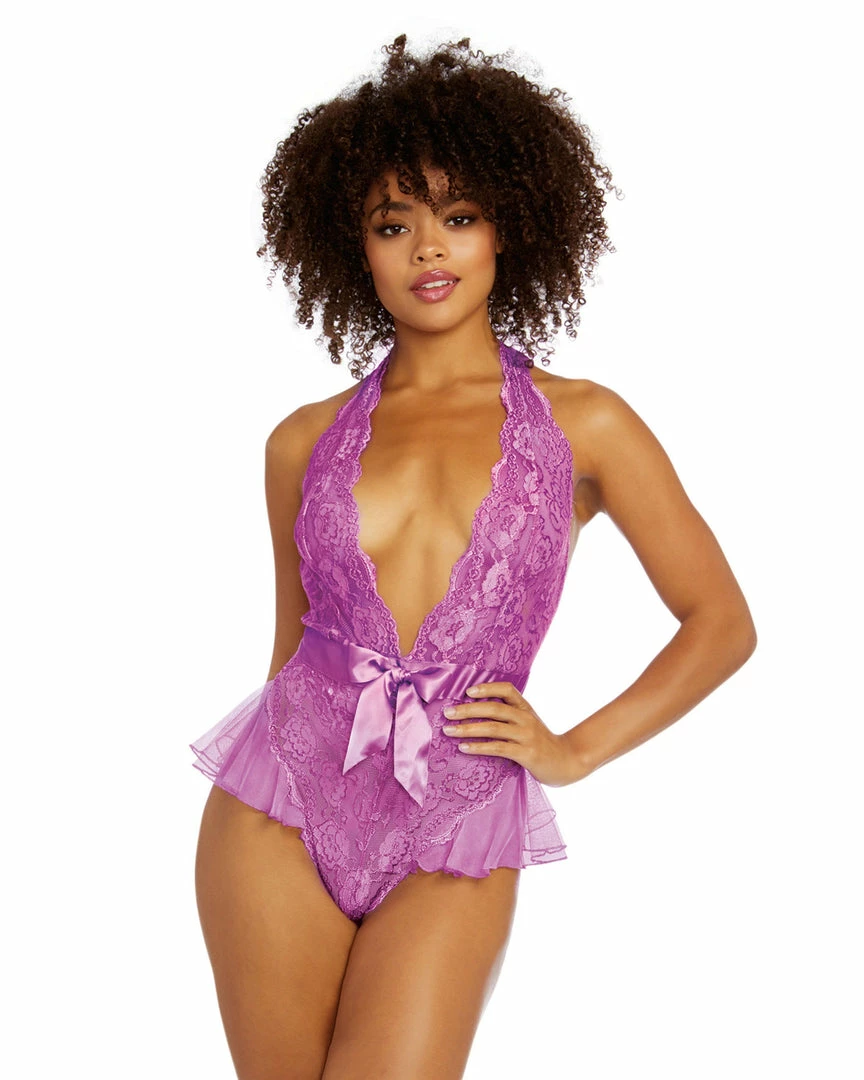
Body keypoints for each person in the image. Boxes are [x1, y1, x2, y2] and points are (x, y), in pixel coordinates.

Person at [190, 34, 757, 1080]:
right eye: (392, 224)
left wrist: (573, 750)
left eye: (457, 216)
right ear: (355, 249)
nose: (427, 250)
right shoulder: (300, 441)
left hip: (459, 819)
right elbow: (288, 650)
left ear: (508, 229)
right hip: (278, 808)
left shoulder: (588, 425)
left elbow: (722, 623)